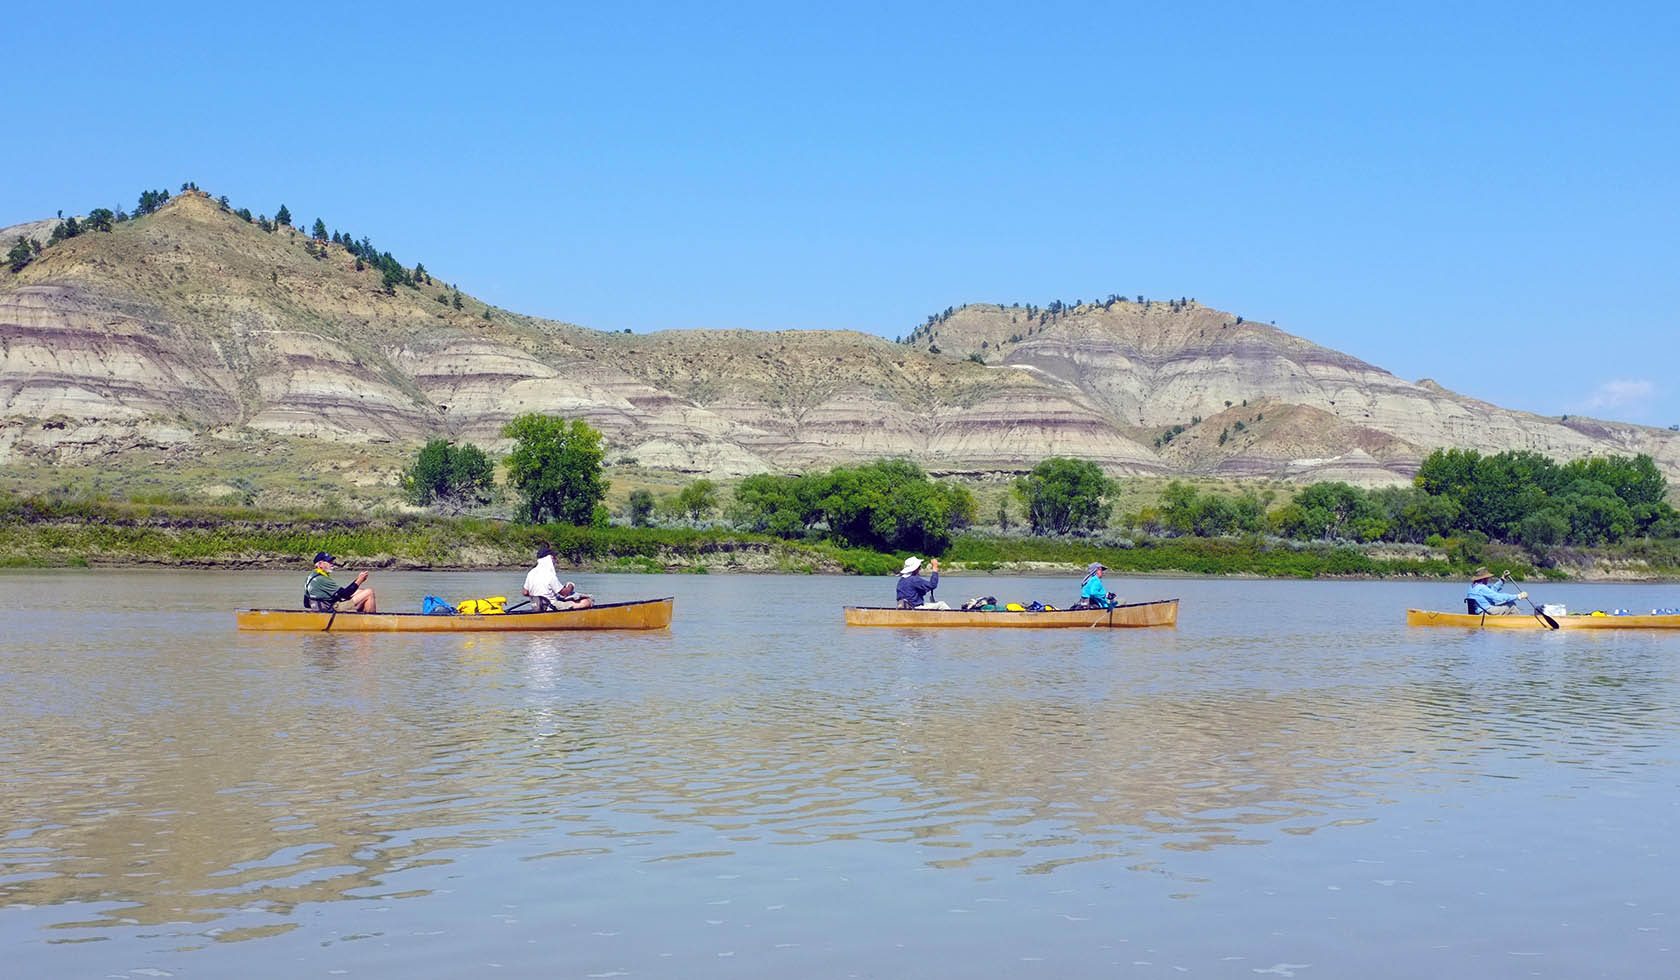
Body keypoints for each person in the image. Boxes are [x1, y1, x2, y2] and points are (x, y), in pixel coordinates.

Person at [522, 544, 594, 610]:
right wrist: (570, 586)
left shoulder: (531, 573)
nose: (555, 560)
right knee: (587, 601)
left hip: (537, 605)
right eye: (554, 558)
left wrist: (538, 596)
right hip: (551, 605)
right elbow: (564, 593)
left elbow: (525, 592)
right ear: (548, 559)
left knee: (570, 600)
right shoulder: (549, 574)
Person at [303, 552, 376, 613]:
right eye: (329, 562)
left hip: (324, 607)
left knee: (360, 592)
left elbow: (306, 604)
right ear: (320, 565)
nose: (332, 564)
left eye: (331, 561)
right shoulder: (322, 579)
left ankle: (362, 618)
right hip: (330, 609)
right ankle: (371, 621)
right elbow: (345, 594)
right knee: (369, 593)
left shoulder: (311, 576)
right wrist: (360, 580)